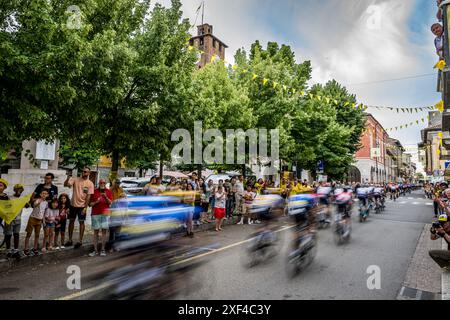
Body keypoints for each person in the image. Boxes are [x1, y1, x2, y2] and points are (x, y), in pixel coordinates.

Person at [64, 167, 95, 249]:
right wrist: (68, 178)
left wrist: (85, 208)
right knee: (71, 222)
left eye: (86, 172)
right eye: (83, 171)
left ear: (89, 173)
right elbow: (67, 185)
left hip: (82, 206)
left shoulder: (90, 183)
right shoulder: (75, 179)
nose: (84, 173)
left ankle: (80, 241)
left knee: (81, 222)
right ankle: (70, 240)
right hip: (72, 205)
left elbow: (88, 197)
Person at [89, 179, 113, 257]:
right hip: (95, 213)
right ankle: (95, 250)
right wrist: (96, 202)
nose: (102, 184)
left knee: (104, 232)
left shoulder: (108, 191)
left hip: (105, 213)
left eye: (103, 183)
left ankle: (103, 249)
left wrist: (105, 197)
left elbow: (110, 203)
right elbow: (90, 204)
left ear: (105, 184)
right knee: (96, 232)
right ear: (98, 183)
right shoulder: (94, 191)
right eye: (101, 182)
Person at [4, 184, 29, 258]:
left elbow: (27, 206)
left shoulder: (22, 199)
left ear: (22, 191)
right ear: (14, 190)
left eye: (20, 189)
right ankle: (8, 251)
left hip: (18, 219)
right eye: (17, 189)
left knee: (16, 234)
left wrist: (25, 201)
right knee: (8, 235)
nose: (19, 191)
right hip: (9, 219)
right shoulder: (9, 197)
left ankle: (15, 250)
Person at [24, 190, 49, 255]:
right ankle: (26, 248)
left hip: (39, 220)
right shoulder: (37, 200)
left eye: (45, 194)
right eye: (43, 193)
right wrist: (39, 201)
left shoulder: (46, 203)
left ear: (47, 195)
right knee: (29, 233)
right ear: (40, 194)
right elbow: (34, 206)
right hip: (33, 218)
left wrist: (43, 221)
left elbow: (43, 212)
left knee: (37, 235)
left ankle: (35, 248)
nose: (44, 195)